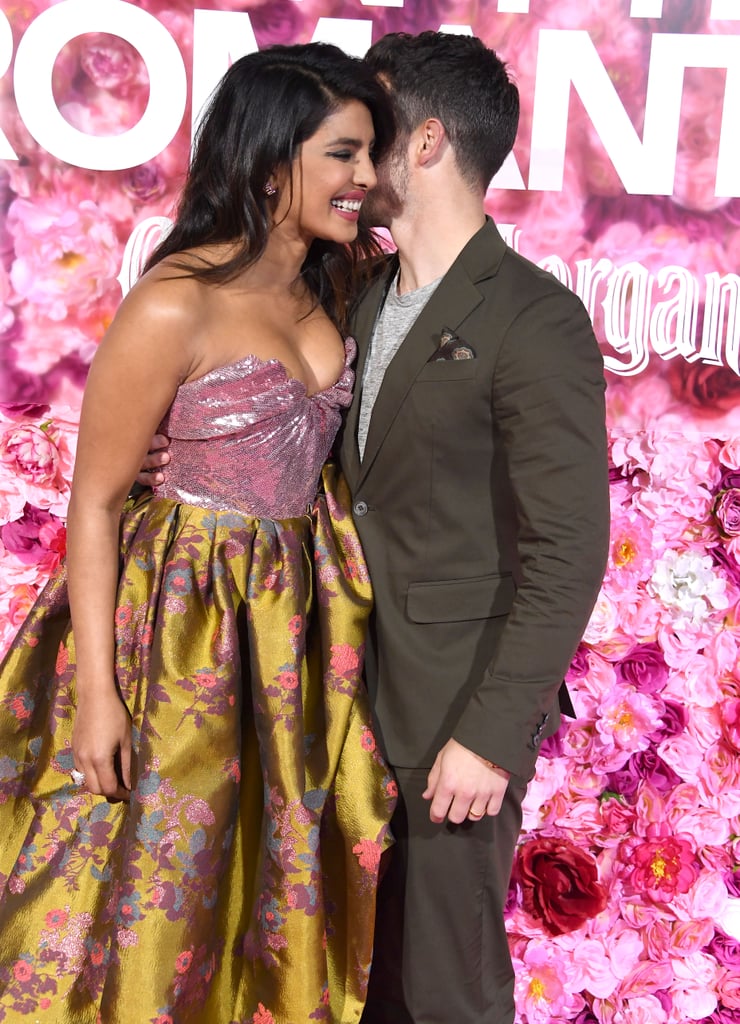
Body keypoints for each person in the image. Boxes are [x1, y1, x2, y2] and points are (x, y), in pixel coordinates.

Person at [139, 30, 610, 1024]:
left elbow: (567, 548)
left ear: (425, 141)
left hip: (449, 712)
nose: (347, 158)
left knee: (441, 988)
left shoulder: (534, 319)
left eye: (367, 136)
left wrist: (487, 736)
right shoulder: (353, 293)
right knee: (342, 981)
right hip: (324, 699)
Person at [0, 43, 397, 1023]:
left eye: (370, 156)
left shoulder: (335, 289)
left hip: (288, 638)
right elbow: (94, 504)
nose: (364, 179)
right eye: (343, 155)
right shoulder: (174, 300)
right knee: (152, 887)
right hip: (178, 631)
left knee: (253, 890)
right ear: (270, 164)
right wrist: (98, 697)